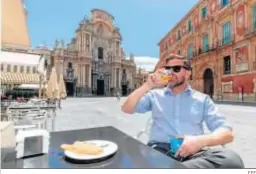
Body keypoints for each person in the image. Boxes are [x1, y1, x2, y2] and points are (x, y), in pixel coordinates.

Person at [121, 54, 244, 168]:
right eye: (168, 69)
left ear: (188, 73)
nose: (171, 72)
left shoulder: (202, 100)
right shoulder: (154, 96)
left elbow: (227, 134)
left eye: (176, 69)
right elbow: (126, 108)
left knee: (232, 160)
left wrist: (199, 141)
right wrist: (147, 86)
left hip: (194, 154)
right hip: (159, 151)